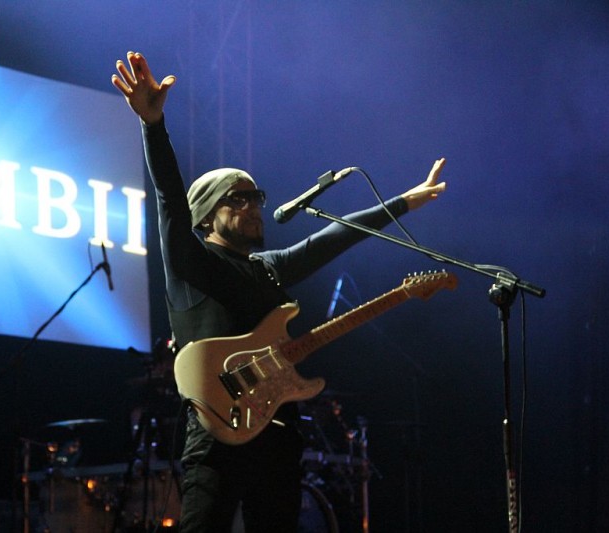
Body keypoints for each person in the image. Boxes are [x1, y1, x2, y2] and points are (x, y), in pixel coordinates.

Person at [111, 50, 448, 533]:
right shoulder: (193, 264)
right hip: (216, 432)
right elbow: (169, 198)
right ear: (206, 217)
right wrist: (153, 126)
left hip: (277, 433)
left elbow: (330, 238)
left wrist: (402, 203)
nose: (253, 207)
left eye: (256, 197)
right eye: (238, 199)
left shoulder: (268, 268)